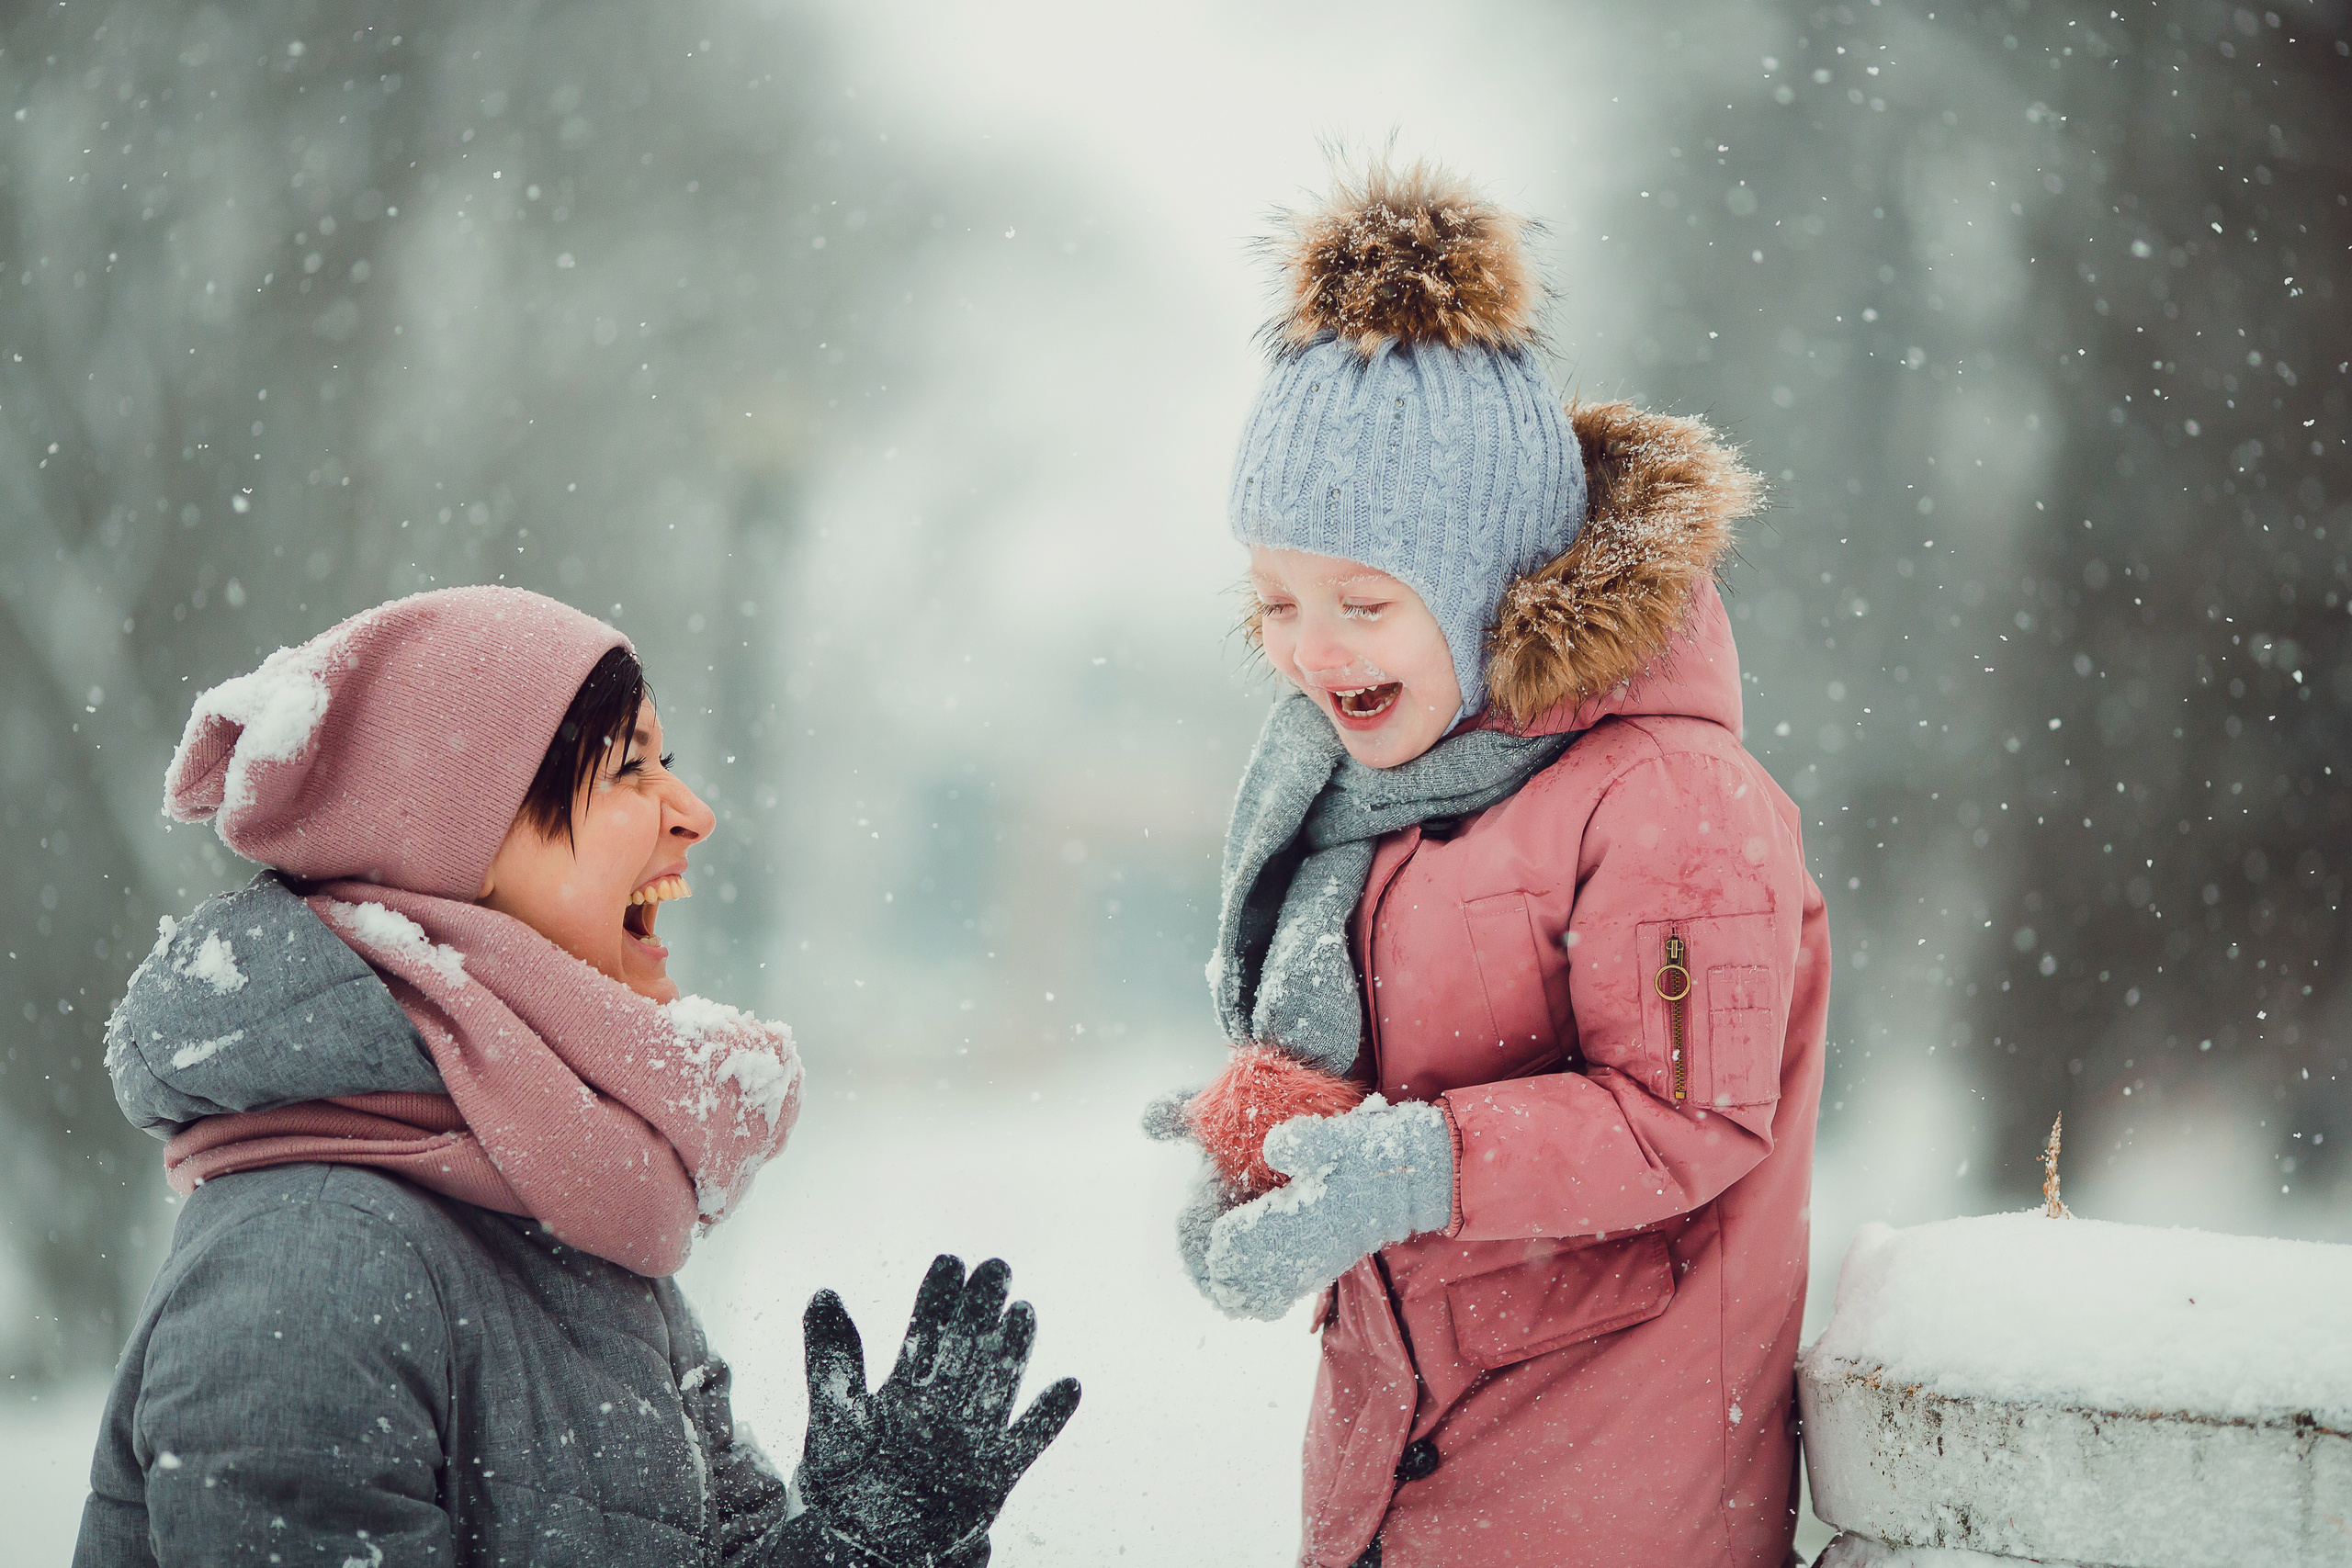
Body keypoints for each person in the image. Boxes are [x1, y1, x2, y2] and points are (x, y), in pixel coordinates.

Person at [77, 586, 1079, 1567]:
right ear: (448, 846)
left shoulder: (558, 1215)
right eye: (631, 772)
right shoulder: (313, 1268)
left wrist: (852, 1549)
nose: (693, 813)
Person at [1148, 162, 1829, 1566]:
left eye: (1364, 599)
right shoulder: (1378, 797)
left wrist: (1407, 1165)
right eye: (1276, 598)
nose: (1309, 647)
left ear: (1486, 577)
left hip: (1607, 1491)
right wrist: (1278, 1128)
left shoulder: (1674, 798)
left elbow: (1689, 1117)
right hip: (1402, 1479)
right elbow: (1417, 1047)